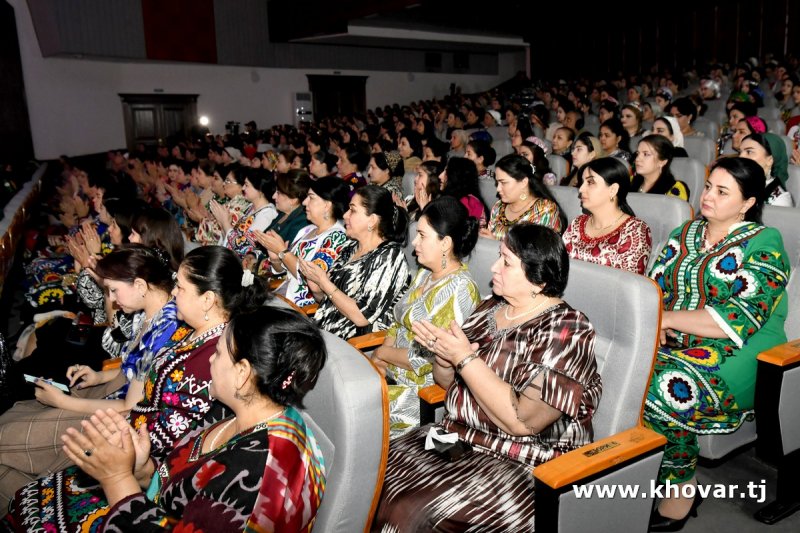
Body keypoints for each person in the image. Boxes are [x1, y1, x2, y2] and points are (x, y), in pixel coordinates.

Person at [3, 246, 271, 531]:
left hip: (137, 456)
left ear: (207, 300)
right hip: (130, 436)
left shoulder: (213, 357)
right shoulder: (192, 333)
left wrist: (120, 443)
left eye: (180, 287)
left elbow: (174, 437)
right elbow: (143, 380)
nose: (173, 292)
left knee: (20, 476)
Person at [6, 307, 327, 532]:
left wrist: (117, 478)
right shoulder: (234, 408)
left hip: (141, 519)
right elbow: (184, 483)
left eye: (218, 353)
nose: (210, 360)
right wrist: (142, 470)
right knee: (29, 495)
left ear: (242, 373)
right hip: (151, 506)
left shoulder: (260, 475)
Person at [373, 223, 601, 530]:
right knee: (376, 471)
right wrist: (444, 356)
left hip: (521, 462)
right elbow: (448, 384)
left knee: (409, 512)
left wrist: (464, 358)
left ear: (539, 280)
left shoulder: (568, 330)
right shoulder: (491, 308)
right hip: (457, 438)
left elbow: (523, 422)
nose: (494, 267)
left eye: (506, 262)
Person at [645, 157, 789, 531]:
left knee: (660, 386)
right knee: (620, 371)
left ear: (748, 203)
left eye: (722, 192)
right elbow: (655, 287)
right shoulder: (686, 232)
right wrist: (654, 320)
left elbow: (736, 319)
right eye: (709, 186)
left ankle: (680, 492)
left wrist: (667, 320)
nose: (708, 195)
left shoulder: (765, 242)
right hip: (678, 340)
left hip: (745, 351)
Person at [0, 246, 180, 508]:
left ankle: (25, 507)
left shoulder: (164, 329)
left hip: (118, 420)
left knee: (6, 439)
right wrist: (99, 376)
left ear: (141, 285)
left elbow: (129, 407)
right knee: (13, 417)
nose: (112, 299)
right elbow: (133, 366)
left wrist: (63, 402)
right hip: (113, 396)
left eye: (114, 290)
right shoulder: (151, 313)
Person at [372, 197, 481, 438]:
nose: (414, 242)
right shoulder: (425, 273)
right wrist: (380, 363)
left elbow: (425, 358)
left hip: (419, 393)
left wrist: (381, 354)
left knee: (356, 410)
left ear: (445, 243)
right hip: (391, 373)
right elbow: (397, 322)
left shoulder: (460, 289)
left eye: (422, 235)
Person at [301, 185, 411, 339]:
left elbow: (362, 317)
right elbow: (329, 300)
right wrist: (317, 286)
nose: (345, 215)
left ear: (372, 220)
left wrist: (324, 283)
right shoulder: (350, 247)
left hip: (356, 342)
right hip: (325, 331)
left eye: (352, 210)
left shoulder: (390, 257)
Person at [262, 177, 350, 308]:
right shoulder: (307, 230)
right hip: (284, 297)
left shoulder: (337, 237)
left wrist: (282, 251)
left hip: (303, 307)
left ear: (327, 205)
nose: (304, 202)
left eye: (311, 198)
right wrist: (275, 259)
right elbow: (286, 272)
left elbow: (312, 279)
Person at [563, 158, 652, 274]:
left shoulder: (635, 231)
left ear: (613, 190)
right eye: (582, 182)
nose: (581, 189)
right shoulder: (577, 224)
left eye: (590, 182)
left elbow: (627, 282)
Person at [483, 154, 566, 240]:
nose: (498, 188)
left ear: (523, 182)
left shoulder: (544, 210)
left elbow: (539, 247)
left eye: (503, 183)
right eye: (497, 183)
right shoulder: (498, 207)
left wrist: (495, 242)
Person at [217, 168, 278, 269]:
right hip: (229, 260)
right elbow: (232, 237)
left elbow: (243, 247)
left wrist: (225, 223)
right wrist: (224, 223)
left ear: (259, 190)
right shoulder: (251, 207)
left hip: (239, 266)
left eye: (247, 185)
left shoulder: (267, 214)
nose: (243, 188)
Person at [738, 133, 794, 206]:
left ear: (770, 160)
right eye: (740, 152)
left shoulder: (779, 200)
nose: (740, 156)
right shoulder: (735, 183)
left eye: (749, 152)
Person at [631, 134, 690, 200]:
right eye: (638, 153)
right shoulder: (629, 182)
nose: (637, 159)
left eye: (646, 154)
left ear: (662, 162)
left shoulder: (673, 189)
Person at [439, 157, 488, 225]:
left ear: (456, 176)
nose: (440, 176)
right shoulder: (458, 200)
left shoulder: (468, 202)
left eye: (446, 172)